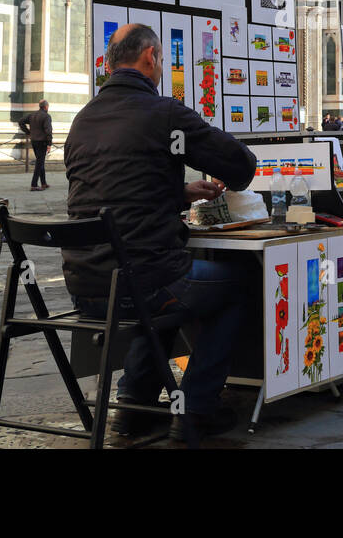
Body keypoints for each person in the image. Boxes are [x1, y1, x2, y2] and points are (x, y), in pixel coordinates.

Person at [62, 24, 259, 442]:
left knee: (160, 278)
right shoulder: (163, 113)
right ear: (150, 58)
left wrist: (177, 192)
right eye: (162, 61)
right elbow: (240, 167)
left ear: (110, 64)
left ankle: (135, 404)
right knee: (239, 282)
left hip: (84, 286)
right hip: (144, 283)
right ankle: (198, 406)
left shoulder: (83, 120)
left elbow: (113, 195)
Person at [20, 100, 53, 191]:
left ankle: (43, 183)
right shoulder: (46, 116)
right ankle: (34, 184)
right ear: (46, 107)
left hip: (34, 141)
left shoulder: (32, 115)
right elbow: (48, 130)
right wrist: (49, 143)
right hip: (42, 142)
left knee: (40, 161)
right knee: (39, 163)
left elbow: (21, 122)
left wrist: (28, 132)